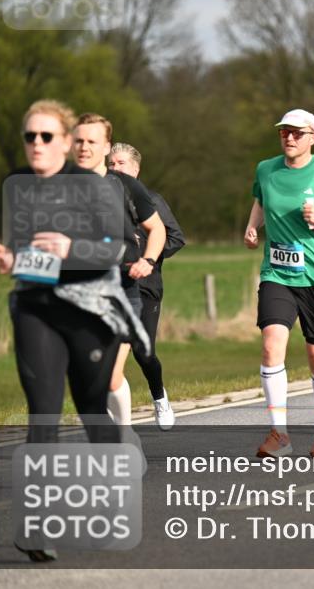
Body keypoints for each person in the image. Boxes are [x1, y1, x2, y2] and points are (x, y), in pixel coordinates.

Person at [0, 100, 147, 562]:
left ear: (64, 142)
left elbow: (123, 246)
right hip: (37, 308)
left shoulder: (96, 187)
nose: (36, 145)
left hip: (89, 310)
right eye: (29, 137)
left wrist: (71, 247)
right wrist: (15, 260)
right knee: (43, 411)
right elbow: (25, 249)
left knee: (90, 406)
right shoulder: (15, 187)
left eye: (46, 136)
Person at [244, 109, 314, 458]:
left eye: (296, 133)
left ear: (313, 136)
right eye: (284, 133)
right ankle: (279, 433)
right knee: (270, 343)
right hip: (277, 273)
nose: (289, 138)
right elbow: (260, 201)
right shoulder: (266, 168)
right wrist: (253, 226)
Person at [72, 113, 166, 432]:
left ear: (105, 146)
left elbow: (157, 230)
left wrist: (148, 260)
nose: (84, 147)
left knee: (110, 374)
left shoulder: (125, 186)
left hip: (121, 291)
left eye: (92, 141)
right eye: (79, 140)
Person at [109, 143, 186, 429]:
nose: (115, 168)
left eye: (121, 164)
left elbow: (176, 237)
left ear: (136, 170)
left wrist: (148, 258)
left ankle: (159, 396)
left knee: (144, 352)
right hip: (112, 285)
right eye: (112, 163)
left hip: (146, 286)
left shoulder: (151, 200)